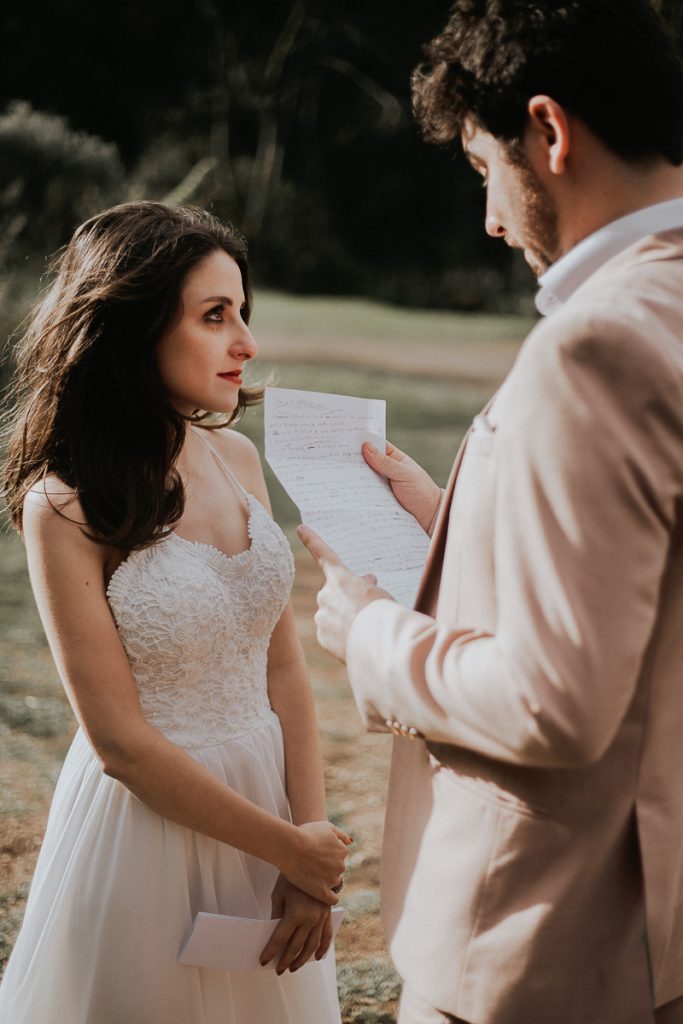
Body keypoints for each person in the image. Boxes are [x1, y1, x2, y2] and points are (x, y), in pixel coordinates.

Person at [297, 1, 683, 1022]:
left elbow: (553, 702)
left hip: (540, 942)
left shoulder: (591, 348)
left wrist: (369, 633)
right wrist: (461, 525)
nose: (489, 221)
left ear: (547, 134)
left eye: (484, 172)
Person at [0, 200, 351, 1024]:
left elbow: (282, 668)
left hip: (270, 802)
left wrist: (310, 844)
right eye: (214, 316)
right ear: (136, 328)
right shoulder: (65, 504)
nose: (246, 343)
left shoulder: (236, 458)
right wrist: (288, 849)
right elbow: (120, 742)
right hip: (147, 833)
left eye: (243, 314)